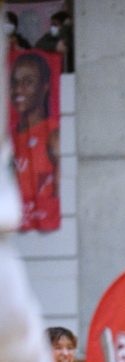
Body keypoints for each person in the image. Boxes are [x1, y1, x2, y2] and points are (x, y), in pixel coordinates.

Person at [9, 52, 58, 232]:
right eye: (14, 82)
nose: (18, 90)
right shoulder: (7, 138)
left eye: (28, 82)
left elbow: (60, 194)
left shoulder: (54, 135)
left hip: (46, 229)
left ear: (45, 87)